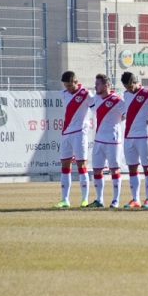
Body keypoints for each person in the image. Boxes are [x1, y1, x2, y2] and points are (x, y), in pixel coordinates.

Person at [121, 72, 148, 209]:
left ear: (135, 82)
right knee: (132, 168)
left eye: (130, 87)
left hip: (143, 137)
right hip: (129, 136)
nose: (129, 90)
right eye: (126, 87)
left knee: (147, 167)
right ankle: (135, 199)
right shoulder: (126, 94)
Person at [53, 71, 96, 208]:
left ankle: (84, 199)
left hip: (80, 133)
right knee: (65, 165)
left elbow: (97, 111)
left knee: (81, 165)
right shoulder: (64, 94)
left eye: (70, 85)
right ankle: (65, 199)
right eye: (66, 85)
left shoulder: (86, 94)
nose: (68, 88)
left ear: (76, 82)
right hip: (66, 133)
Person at [87, 73, 126, 208]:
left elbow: (126, 115)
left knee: (114, 170)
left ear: (106, 85)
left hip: (113, 141)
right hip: (98, 140)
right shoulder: (96, 98)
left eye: (98, 84)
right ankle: (99, 199)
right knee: (97, 170)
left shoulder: (117, 101)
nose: (95, 86)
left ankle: (115, 200)